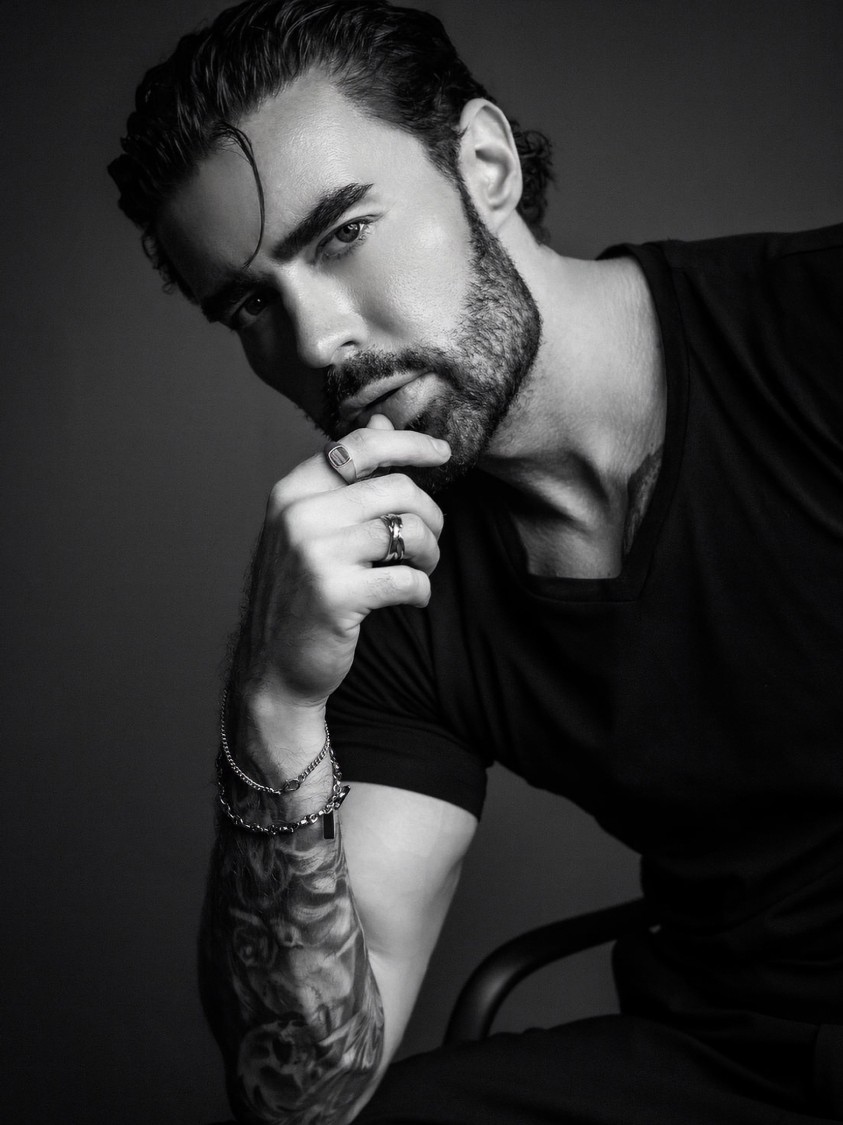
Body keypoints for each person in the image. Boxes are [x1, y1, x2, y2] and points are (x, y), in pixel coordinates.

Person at [108, 0, 843, 1121]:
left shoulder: (813, 328)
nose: (317, 342)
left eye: (342, 234)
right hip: (733, 1052)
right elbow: (304, 1093)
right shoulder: (388, 583)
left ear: (484, 165)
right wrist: (275, 703)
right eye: (253, 302)